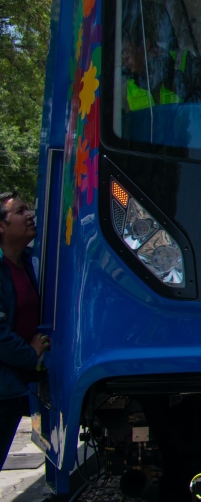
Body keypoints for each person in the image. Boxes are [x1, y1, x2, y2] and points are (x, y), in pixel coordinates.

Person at [0, 194, 49, 467]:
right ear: (1, 226)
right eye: (20, 211)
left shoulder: (29, 261)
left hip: (16, 383)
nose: (30, 215)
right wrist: (30, 353)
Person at [121, 2, 201, 111]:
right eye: (122, 55)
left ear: (145, 45)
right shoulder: (128, 85)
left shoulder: (184, 62)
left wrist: (185, 114)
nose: (124, 60)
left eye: (127, 52)